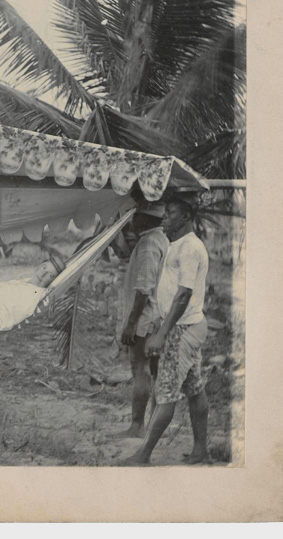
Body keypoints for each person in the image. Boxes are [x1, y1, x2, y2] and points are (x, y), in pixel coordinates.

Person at [123, 194, 211, 465]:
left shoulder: (188, 248)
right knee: (195, 389)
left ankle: (143, 455)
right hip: (186, 326)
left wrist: (162, 333)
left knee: (167, 394)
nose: (164, 216)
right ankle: (200, 450)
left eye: (170, 212)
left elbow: (183, 294)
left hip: (183, 330)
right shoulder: (178, 244)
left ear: (186, 217)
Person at [117, 202, 170, 437]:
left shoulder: (149, 244)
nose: (133, 223)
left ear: (145, 219)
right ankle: (151, 426)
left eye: (136, 217)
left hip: (145, 319)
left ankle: (137, 426)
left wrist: (131, 323)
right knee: (153, 371)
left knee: (140, 369)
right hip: (157, 316)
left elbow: (144, 288)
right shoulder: (161, 240)